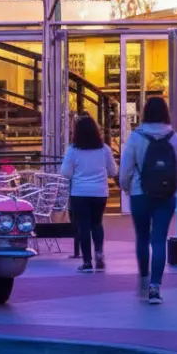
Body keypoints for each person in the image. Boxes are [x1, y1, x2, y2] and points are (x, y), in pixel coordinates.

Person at [119, 96, 177, 305]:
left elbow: (126, 170)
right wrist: (173, 186)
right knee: (158, 239)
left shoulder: (136, 137)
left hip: (140, 194)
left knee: (142, 236)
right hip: (166, 196)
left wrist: (127, 188)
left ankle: (143, 278)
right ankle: (155, 288)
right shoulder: (174, 137)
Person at [61, 115, 117, 273]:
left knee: (83, 225)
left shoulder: (73, 150)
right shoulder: (104, 149)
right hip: (100, 192)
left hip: (79, 192)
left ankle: (87, 262)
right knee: (97, 223)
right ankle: (99, 252)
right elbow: (113, 170)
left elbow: (65, 172)